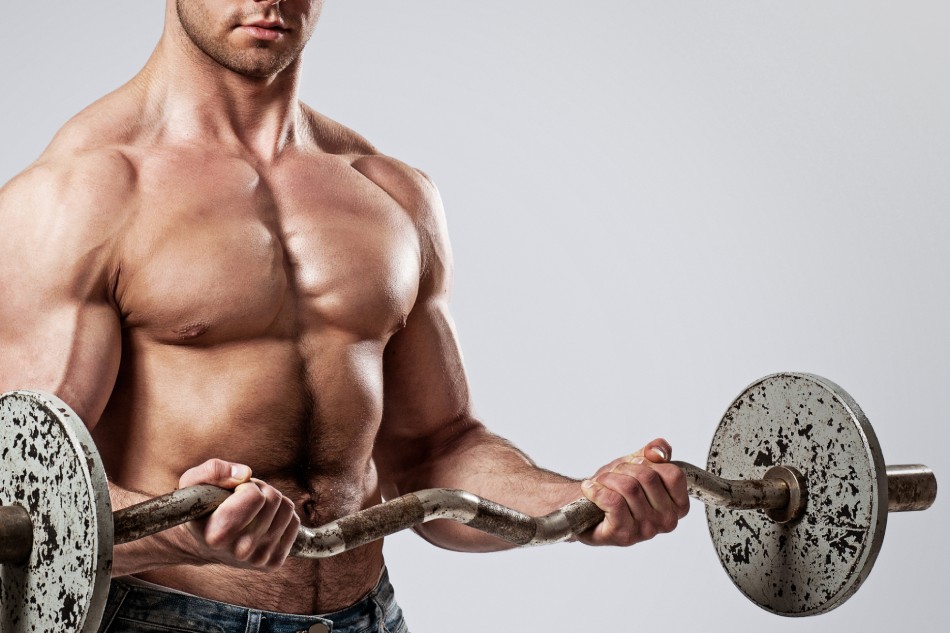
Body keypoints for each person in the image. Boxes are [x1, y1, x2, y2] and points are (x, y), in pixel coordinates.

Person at [0, 1, 689, 631]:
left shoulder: (390, 191)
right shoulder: (79, 197)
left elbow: (435, 453)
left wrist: (578, 501)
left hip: (367, 616)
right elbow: (20, 507)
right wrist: (185, 532)